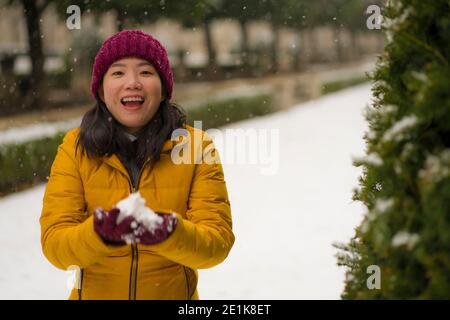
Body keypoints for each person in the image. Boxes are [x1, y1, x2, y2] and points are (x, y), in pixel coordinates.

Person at [40, 29, 235, 300]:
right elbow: (56, 246)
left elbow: (217, 243)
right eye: (118, 73)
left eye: (146, 72)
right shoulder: (76, 148)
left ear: (164, 87)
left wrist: (170, 231)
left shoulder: (195, 147)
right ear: (100, 88)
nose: (132, 83)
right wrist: (98, 233)